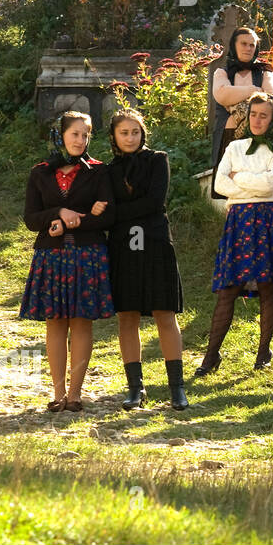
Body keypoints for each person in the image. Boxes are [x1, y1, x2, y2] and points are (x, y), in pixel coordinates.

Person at [19, 112, 116, 411]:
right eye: (75, 134)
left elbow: (109, 216)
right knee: (56, 323)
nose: (80, 140)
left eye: (85, 135)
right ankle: (57, 393)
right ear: (60, 135)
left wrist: (72, 223)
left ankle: (75, 394)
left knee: (81, 322)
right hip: (51, 255)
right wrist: (59, 212)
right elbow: (31, 219)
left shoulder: (99, 172)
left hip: (88, 255)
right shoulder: (40, 173)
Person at [197, 93, 273, 376]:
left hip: (271, 220)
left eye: (264, 115)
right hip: (240, 221)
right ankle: (211, 356)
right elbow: (220, 183)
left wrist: (239, 178)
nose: (257, 120)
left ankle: (263, 351)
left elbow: (271, 184)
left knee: (267, 285)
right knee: (228, 289)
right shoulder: (235, 147)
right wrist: (253, 184)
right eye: (253, 114)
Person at [103, 109, 188, 411]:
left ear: (143, 133)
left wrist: (117, 211)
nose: (130, 137)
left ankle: (176, 388)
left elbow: (155, 202)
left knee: (164, 313)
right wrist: (117, 212)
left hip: (154, 242)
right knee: (127, 316)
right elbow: (110, 212)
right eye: (124, 132)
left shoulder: (157, 160)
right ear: (114, 136)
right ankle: (135, 389)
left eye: (135, 132)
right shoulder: (108, 170)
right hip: (122, 247)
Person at [210, 27, 273, 199]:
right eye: (243, 43)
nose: (248, 48)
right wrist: (254, 90)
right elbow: (222, 94)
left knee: (256, 186)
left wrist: (237, 94)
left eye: (252, 45)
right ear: (234, 45)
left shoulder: (265, 72)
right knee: (231, 188)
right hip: (229, 137)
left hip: (258, 138)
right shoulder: (222, 72)